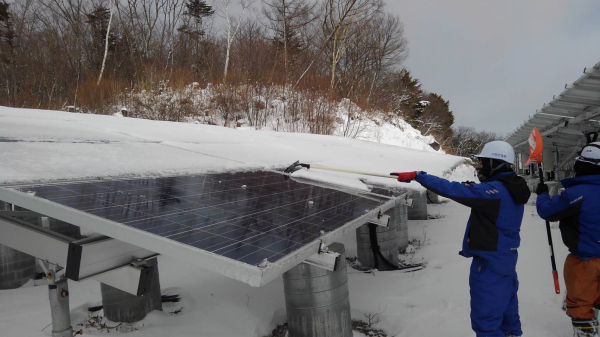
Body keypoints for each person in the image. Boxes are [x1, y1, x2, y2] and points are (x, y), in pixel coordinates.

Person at [393, 140, 531, 337]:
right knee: (508, 322)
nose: (479, 167)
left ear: (495, 163)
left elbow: (453, 189)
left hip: (490, 266)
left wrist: (418, 176)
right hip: (505, 262)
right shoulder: (510, 188)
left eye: (482, 163)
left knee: (487, 326)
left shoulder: (496, 192)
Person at [536, 142, 600, 337]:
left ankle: (586, 332)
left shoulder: (577, 193)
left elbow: (547, 212)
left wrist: (542, 194)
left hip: (585, 261)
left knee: (582, 304)